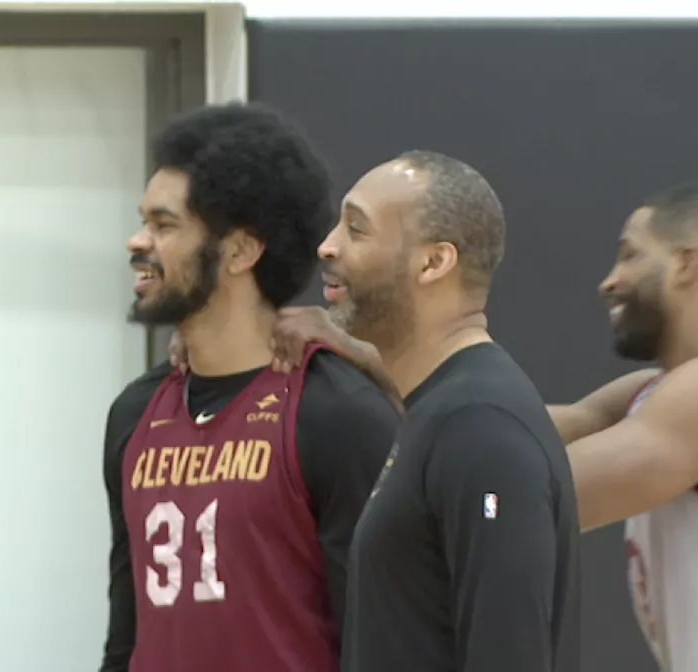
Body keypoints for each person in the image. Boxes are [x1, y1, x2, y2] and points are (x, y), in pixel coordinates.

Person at [260, 181, 698, 672]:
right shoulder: (659, 392)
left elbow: (512, 485)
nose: (607, 281)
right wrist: (373, 351)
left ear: (686, 264)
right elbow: (509, 428)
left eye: (629, 256)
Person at [178, 150, 582, 672]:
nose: (328, 245)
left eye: (357, 229)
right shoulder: (438, 410)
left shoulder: (480, 426)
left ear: (434, 262)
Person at [99, 102, 400, 672]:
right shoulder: (135, 413)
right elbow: (126, 634)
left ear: (241, 249)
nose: (138, 242)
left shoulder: (337, 415)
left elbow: (377, 642)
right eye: (144, 222)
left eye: (164, 226)